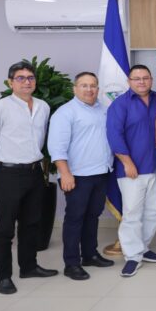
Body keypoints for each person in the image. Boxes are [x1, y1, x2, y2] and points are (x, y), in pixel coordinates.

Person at [0, 61, 58, 294]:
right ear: (10, 82)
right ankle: (3, 276)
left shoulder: (43, 107)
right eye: (20, 78)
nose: (26, 82)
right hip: (8, 173)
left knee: (31, 223)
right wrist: (0, 171)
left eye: (30, 78)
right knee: (5, 228)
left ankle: (29, 267)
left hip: (34, 172)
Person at [48, 72, 115, 281]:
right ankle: (71, 263)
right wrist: (65, 173)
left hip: (101, 172)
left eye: (93, 85)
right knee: (75, 218)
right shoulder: (65, 112)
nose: (89, 89)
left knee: (92, 216)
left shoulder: (103, 109)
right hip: (77, 175)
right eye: (84, 85)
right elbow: (56, 147)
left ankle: (90, 255)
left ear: (98, 89)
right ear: (75, 88)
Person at [106, 64, 156, 277]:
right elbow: (114, 135)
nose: (141, 82)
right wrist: (127, 162)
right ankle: (132, 256)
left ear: (151, 80)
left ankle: (143, 248)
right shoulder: (120, 104)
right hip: (132, 169)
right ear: (129, 81)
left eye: (145, 78)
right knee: (132, 214)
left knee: (152, 212)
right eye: (136, 78)